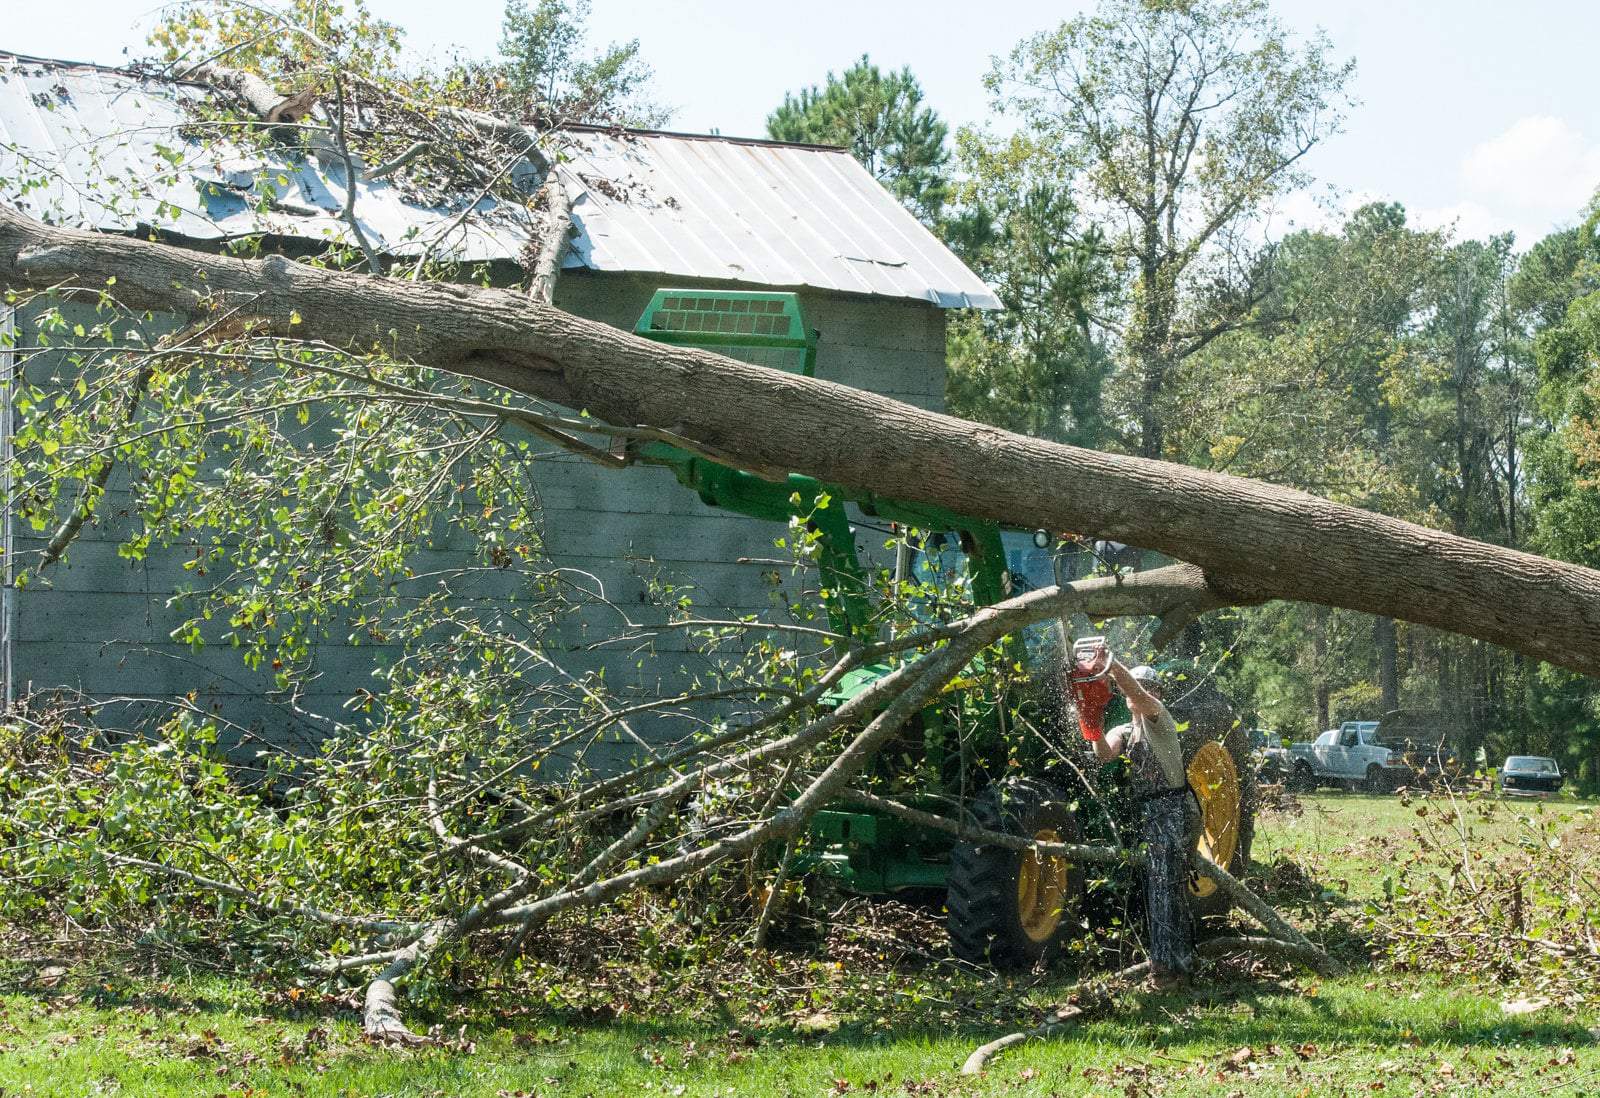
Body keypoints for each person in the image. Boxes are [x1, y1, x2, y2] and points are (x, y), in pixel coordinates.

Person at [1080, 645, 1198, 987]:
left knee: (1165, 888)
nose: (1147, 692)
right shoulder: (1126, 730)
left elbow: (1137, 696)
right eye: (1144, 686)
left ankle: (1167, 971)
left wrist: (1110, 665)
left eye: (1150, 687)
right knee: (1161, 889)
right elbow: (1104, 753)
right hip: (1152, 812)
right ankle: (1176, 964)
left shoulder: (1158, 715)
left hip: (1174, 808)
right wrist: (1090, 722)